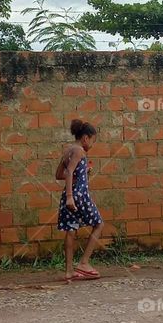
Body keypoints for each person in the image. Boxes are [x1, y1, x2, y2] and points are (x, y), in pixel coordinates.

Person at [55, 118, 104, 281]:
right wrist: (71, 197)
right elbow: (68, 172)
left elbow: (59, 174)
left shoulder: (68, 150)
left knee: (71, 231)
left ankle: (69, 271)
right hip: (79, 195)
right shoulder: (79, 151)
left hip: (70, 195)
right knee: (99, 224)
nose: (92, 145)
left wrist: (82, 173)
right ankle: (84, 263)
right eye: (93, 141)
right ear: (85, 138)